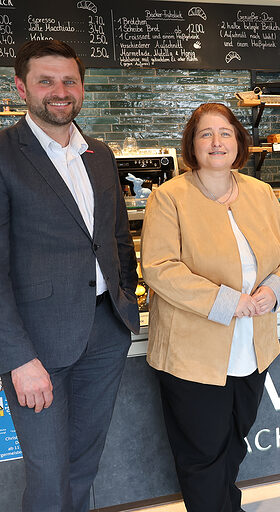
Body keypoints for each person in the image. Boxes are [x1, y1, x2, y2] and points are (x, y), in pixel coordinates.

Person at [0, 40, 140, 511]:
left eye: (69, 81)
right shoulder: (3, 154)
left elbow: (117, 238)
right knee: (48, 471)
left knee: (84, 461)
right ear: (21, 86)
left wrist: (126, 300)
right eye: (46, 81)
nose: (59, 91)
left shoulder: (98, 153)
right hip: (37, 345)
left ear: (82, 88)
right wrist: (17, 358)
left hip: (105, 333)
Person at [140, 103, 280, 512]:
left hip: (253, 345)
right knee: (202, 453)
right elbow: (158, 268)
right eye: (205, 134)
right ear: (192, 145)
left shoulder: (260, 192)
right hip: (194, 352)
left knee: (234, 438)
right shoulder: (168, 197)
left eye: (225, 132)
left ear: (238, 142)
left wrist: (276, 287)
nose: (216, 142)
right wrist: (230, 302)